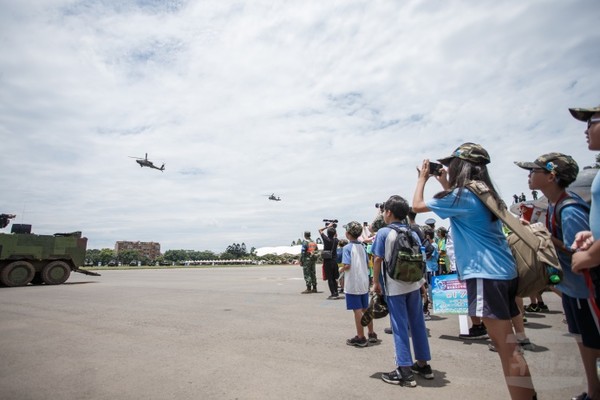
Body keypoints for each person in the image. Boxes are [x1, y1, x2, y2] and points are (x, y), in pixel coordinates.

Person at [413, 143, 536, 400]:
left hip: (485, 274)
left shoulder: (461, 196)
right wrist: (445, 183)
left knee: (505, 345)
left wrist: (422, 179)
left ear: (462, 166)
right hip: (504, 271)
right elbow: (459, 208)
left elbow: (416, 206)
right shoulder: (483, 193)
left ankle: (524, 397)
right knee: (508, 343)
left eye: (451, 164)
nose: (448, 168)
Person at [515, 152, 599, 400]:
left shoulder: (569, 209)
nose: (530, 175)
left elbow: (583, 255)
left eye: (534, 171)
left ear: (551, 176)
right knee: (584, 343)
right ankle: (593, 392)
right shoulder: (554, 205)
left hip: (586, 291)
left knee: (593, 346)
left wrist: (543, 237)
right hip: (573, 291)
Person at [372, 195, 434, 388]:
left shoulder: (384, 233)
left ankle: (404, 370)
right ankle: (423, 365)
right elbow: (421, 259)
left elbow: (377, 259)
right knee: (417, 324)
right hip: (414, 285)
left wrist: (376, 283)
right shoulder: (413, 232)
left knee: (399, 326)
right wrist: (422, 285)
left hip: (395, 287)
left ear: (388, 212)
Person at [342, 221, 376, 347]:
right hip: (363, 281)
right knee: (365, 308)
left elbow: (347, 265)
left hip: (353, 284)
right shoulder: (362, 246)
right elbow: (367, 263)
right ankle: (371, 333)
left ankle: (360, 336)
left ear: (347, 234)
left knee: (357, 310)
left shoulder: (347, 248)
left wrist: (340, 270)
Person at [319, 224, 339, 299]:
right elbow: (336, 235)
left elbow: (320, 230)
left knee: (330, 278)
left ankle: (333, 293)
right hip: (334, 261)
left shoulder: (326, 239)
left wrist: (328, 226)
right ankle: (336, 292)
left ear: (327, 233)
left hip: (327, 261)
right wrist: (333, 228)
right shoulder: (336, 241)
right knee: (334, 278)